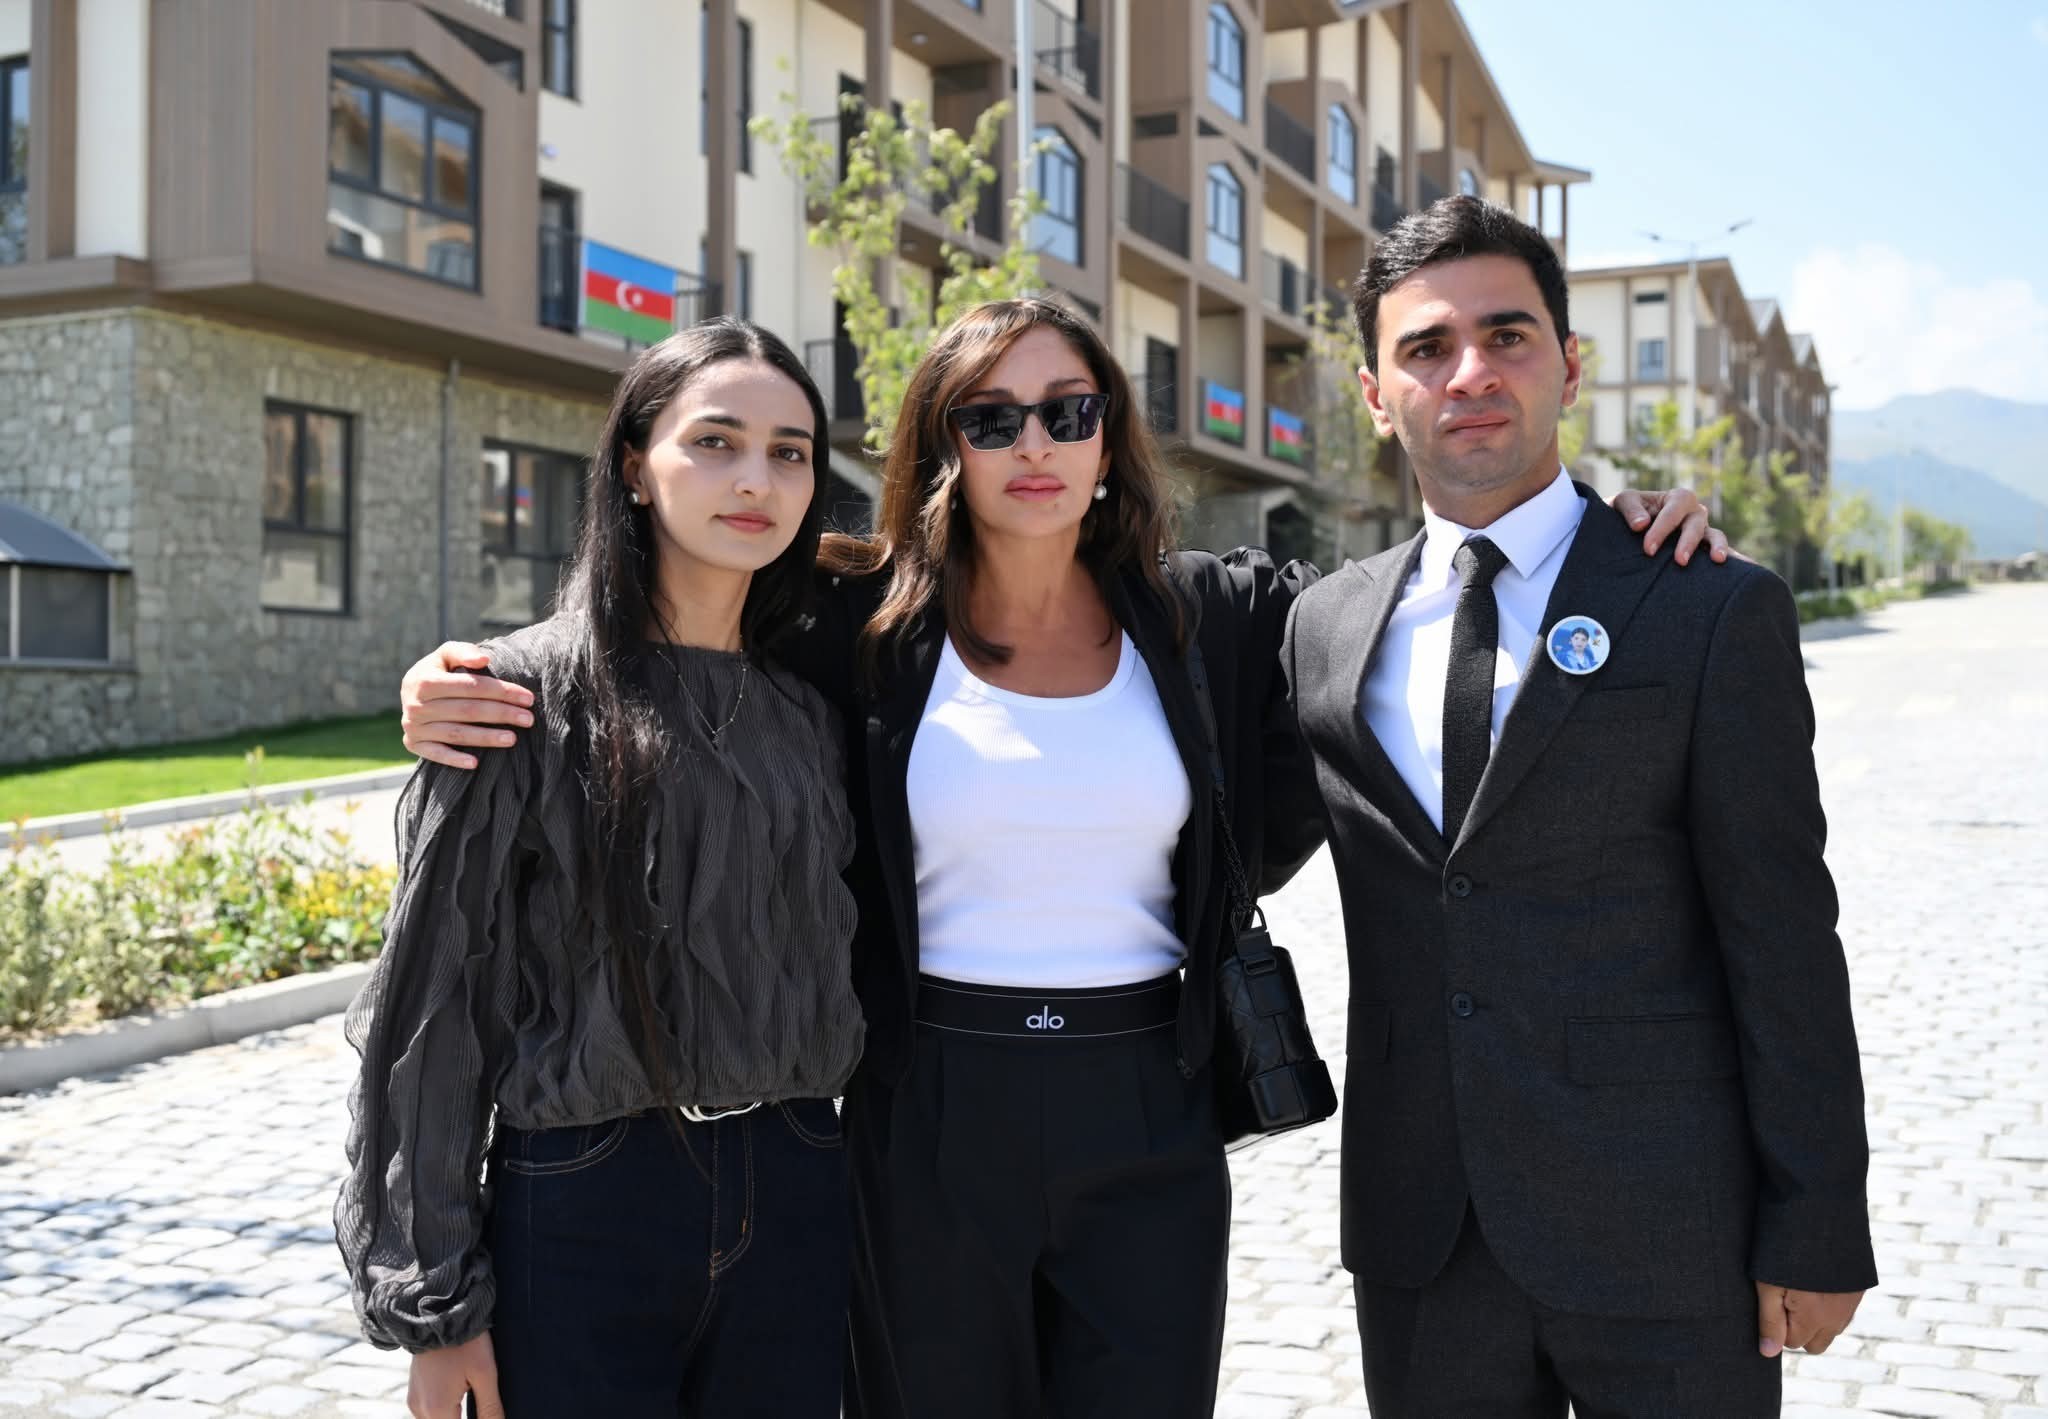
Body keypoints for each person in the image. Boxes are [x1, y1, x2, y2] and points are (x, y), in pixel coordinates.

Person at [392, 298, 1721, 1416]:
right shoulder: (858, 621)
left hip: (1146, 1109)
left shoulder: (1210, 615)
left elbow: (1422, 593)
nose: (1034, 444)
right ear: (943, 445)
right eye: (991, 418)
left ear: (1108, 436)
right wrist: (465, 679)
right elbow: (673, 622)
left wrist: (1603, 534)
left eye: (1069, 412)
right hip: (926, 1111)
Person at [1280, 196, 1874, 1417]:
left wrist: (1816, 1216)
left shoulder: (1702, 602)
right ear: (1373, 394)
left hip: (1666, 1231)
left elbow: (1779, 932)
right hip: (1421, 1237)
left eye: (1505, 336)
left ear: (1569, 363)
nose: (1469, 373)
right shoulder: (1322, 629)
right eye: (1425, 348)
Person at [335, 320, 863, 1419]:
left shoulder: (811, 714)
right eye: (714, 441)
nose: (755, 479)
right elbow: (433, 1009)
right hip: (588, 1198)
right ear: (633, 464)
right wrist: (436, 1305)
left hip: (801, 1187)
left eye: (790, 452)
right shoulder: (512, 697)